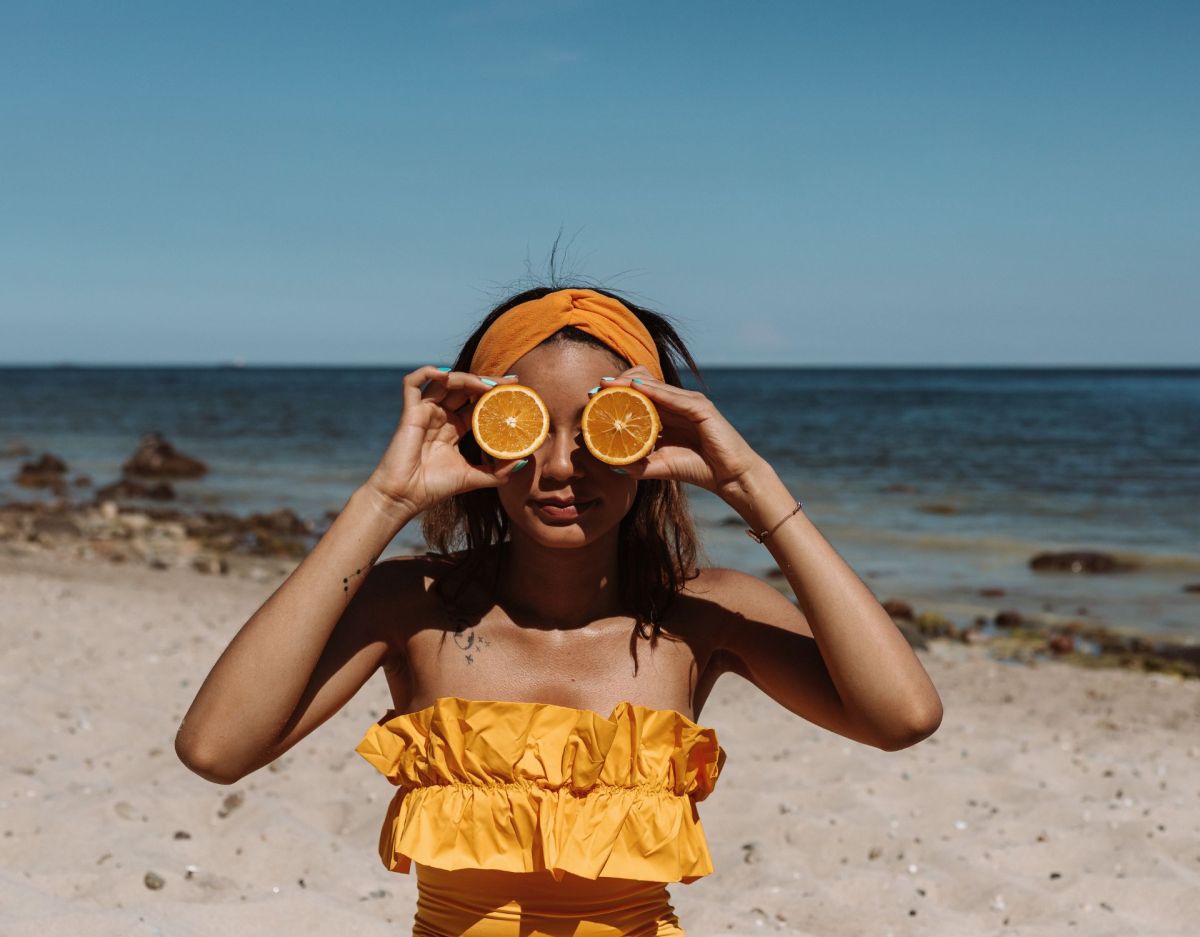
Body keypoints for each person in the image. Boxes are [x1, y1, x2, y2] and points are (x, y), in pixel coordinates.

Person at [175, 286, 943, 936]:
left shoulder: (702, 614)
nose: (561, 466)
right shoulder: (412, 607)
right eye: (529, 424)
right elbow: (215, 748)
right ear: (481, 427)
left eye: (601, 428)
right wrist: (385, 501)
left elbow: (902, 716)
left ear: (652, 428)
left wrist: (748, 480)